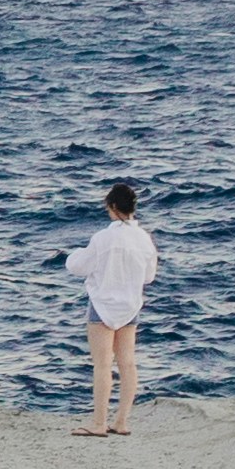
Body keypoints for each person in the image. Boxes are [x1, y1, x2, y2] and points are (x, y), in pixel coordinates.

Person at [64, 183, 156, 437]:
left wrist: (74, 254)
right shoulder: (144, 239)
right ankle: (122, 421)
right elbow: (148, 277)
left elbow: (78, 266)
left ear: (113, 207)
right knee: (128, 363)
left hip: (103, 304)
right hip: (130, 305)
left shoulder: (104, 238)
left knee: (102, 365)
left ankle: (98, 424)